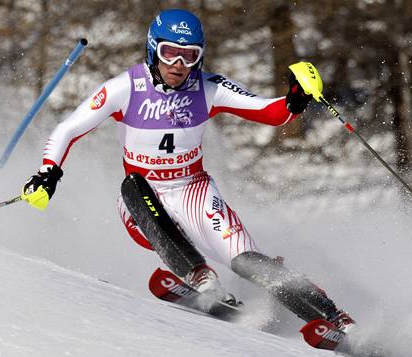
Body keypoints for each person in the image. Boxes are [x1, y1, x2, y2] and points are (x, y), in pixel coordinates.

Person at [22, 9, 354, 332]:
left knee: (245, 260)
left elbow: (267, 112)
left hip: (193, 190)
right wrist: (48, 173)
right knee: (132, 185)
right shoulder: (125, 88)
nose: (178, 65)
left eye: (189, 56)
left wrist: (294, 100)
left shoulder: (209, 88)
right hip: (143, 200)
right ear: (153, 50)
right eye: (169, 54)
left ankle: (332, 316)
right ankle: (199, 275)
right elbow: (67, 129)